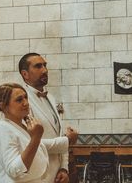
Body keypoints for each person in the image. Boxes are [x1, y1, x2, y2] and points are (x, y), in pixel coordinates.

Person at [18, 53, 78, 183]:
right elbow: (29, 144)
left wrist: (64, 168)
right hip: (38, 176)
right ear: (25, 74)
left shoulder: (50, 97)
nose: (45, 70)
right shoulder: (22, 103)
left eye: (45, 65)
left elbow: (60, 133)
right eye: (38, 66)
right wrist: (67, 141)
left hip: (57, 176)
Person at [0, 83, 47, 183]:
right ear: (3, 106)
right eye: (19, 100)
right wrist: (36, 139)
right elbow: (15, 171)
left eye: (26, 98)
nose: (26, 103)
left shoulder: (23, 125)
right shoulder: (2, 129)